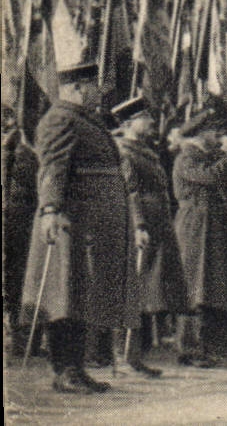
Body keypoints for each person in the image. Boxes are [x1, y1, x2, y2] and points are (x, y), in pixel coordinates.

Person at [21, 62, 130, 394]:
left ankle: (76, 368)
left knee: (81, 296)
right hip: (71, 223)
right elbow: (52, 167)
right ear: (77, 88)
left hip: (89, 225)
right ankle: (64, 371)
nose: (99, 92)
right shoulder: (60, 119)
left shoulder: (84, 120)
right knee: (63, 297)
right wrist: (51, 208)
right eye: (93, 86)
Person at [112, 94, 186, 377]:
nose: (152, 121)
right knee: (134, 289)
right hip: (141, 230)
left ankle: (134, 356)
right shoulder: (125, 152)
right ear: (131, 123)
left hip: (158, 225)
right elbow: (130, 193)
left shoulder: (144, 149)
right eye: (146, 117)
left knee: (146, 291)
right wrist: (139, 226)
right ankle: (125, 355)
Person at [173, 99, 227, 367]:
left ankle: (203, 345)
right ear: (201, 133)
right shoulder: (187, 158)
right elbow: (213, 177)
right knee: (194, 287)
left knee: (209, 287)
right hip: (194, 227)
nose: (220, 138)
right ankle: (189, 348)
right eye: (216, 133)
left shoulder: (203, 156)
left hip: (209, 226)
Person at [5, 102, 40, 356]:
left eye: (9, 121)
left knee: (20, 282)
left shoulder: (24, 154)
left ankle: (23, 341)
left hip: (19, 223)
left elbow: (32, 183)